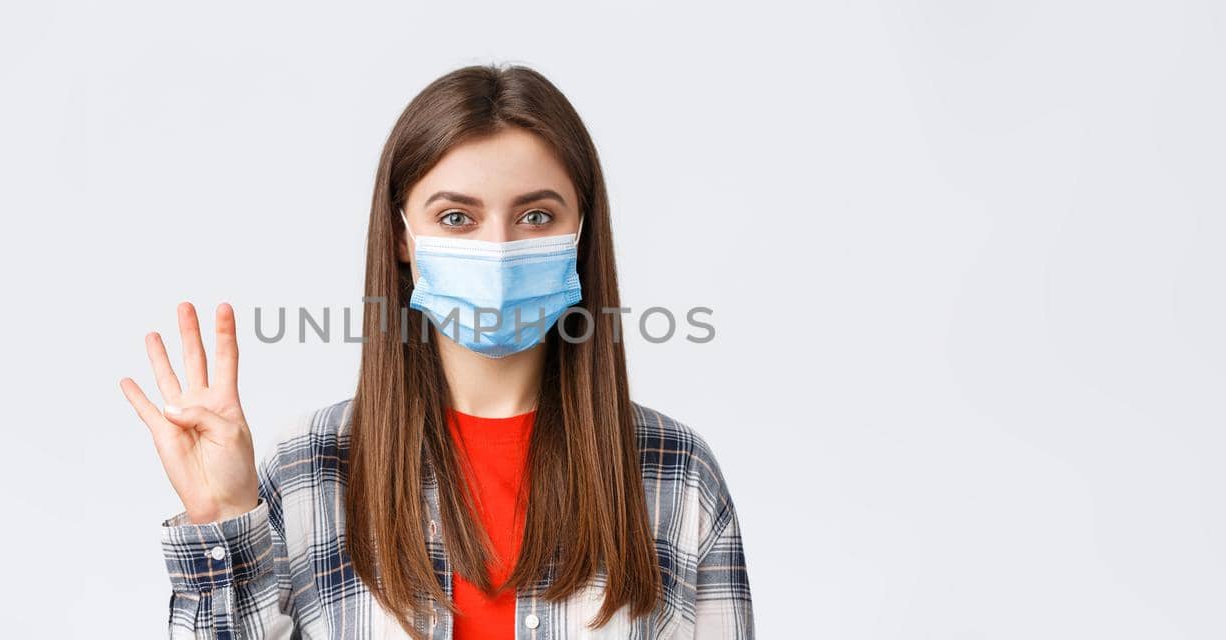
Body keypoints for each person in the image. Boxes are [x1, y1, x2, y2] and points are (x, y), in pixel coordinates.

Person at [120, 64, 754, 639]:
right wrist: (225, 516)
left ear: (581, 232)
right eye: (457, 218)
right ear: (402, 236)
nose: (499, 249)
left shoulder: (677, 474)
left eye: (536, 217)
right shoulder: (307, 471)